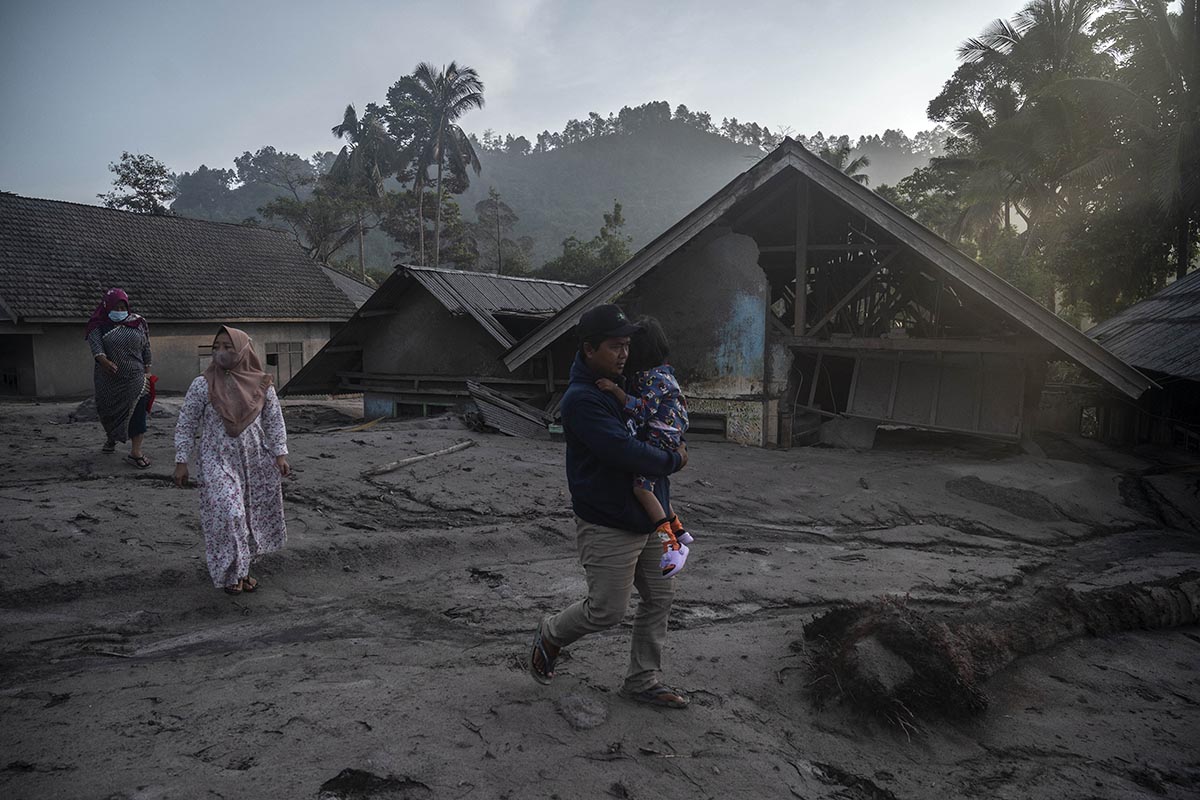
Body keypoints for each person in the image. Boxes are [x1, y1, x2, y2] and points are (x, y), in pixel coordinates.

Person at [528, 304, 691, 709]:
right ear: (588, 349)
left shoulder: (629, 384)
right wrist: (674, 459)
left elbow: (658, 424)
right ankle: (550, 633)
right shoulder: (582, 400)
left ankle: (642, 679)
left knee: (660, 597)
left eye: (627, 346)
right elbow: (624, 451)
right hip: (608, 521)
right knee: (606, 611)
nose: (624, 354)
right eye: (615, 346)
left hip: (648, 518)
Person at [173, 327, 291, 595]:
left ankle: (243, 570)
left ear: (243, 350)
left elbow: (273, 422)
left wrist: (280, 454)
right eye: (217, 347)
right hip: (218, 459)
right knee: (230, 513)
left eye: (229, 347)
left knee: (251, 517)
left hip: (256, 461)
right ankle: (231, 572)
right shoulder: (203, 384)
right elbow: (187, 422)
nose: (221, 352)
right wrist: (182, 459)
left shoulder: (262, 384)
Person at [595, 315, 694, 576]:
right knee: (655, 483)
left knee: (642, 487)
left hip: (660, 439)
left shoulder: (651, 380)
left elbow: (642, 409)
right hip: (671, 436)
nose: (624, 354)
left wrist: (615, 391)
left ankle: (671, 545)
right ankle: (680, 530)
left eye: (628, 347)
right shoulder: (666, 374)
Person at [85, 288, 153, 468]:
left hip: (136, 378)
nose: (120, 310)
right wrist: (104, 361)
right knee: (109, 411)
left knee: (137, 412)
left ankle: (135, 452)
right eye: (116, 306)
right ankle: (111, 438)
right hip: (108, 379)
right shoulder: (98, 324)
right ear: (107, 306)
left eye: (123, 306)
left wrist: (148, 370)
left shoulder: (138, 322)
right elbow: (96, 348)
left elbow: (146, 347)